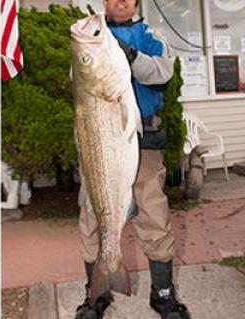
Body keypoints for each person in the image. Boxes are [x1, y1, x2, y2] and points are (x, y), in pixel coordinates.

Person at [74, 1, 191, 319]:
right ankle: (96, 293)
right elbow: (82, 84)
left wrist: (131, 56)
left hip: (145, 147)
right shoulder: (93, 38)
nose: (121, 2)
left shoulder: (151, 34)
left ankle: (163, 295)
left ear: (138, 3)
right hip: (101, 148)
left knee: (154, 217)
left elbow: (162, 76)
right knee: (92, 219)